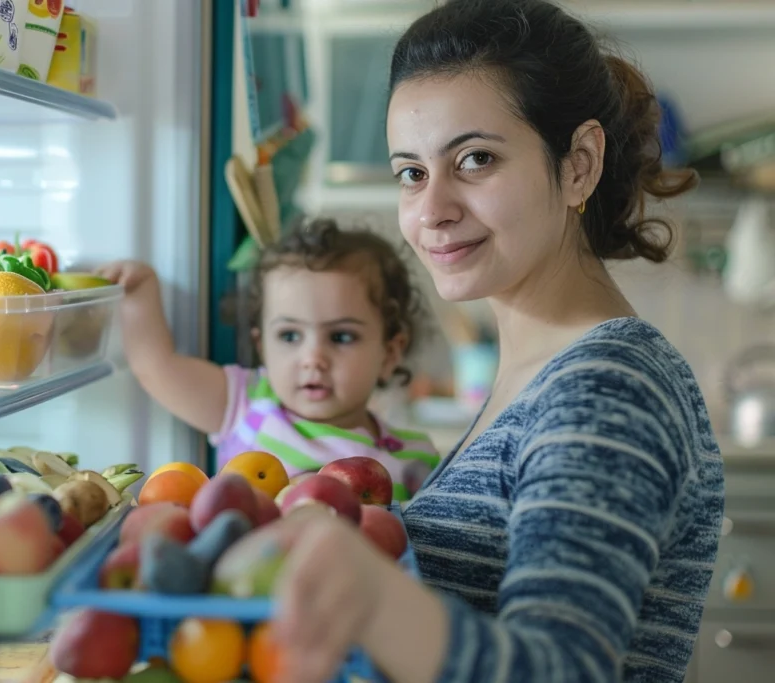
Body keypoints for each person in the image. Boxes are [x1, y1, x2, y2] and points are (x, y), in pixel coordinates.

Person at [266, 1, 725, 682]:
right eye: (411, 173)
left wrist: (367, 588)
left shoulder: (608, 386)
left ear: (578, 164)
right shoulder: (540, 374)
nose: (431, 210)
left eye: (475, 159)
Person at [97, 219, 441, 500]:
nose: (313, 358)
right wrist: (141, 293)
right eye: (289, 336)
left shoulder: (413, 457)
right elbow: (157, 368)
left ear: (390, 353)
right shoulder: (246, 404)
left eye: (341, 337)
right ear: (262, 346)